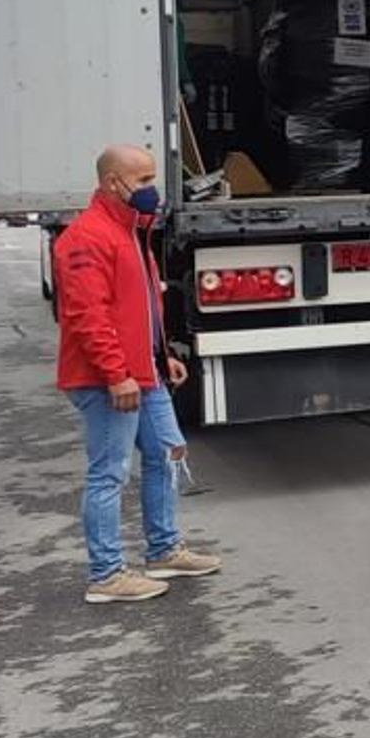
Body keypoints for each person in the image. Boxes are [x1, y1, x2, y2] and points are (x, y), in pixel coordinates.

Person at [55, 145, 222, 604]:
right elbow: (88, 316)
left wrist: (159, 355)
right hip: (110, 380)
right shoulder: (87, 238)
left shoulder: (132, 231)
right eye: (144, 180)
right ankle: (106, 575)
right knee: (109, 473)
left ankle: (165, 549)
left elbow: (141, 308)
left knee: (168, 453)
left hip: (144, 373)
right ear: (113, 183)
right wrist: (116, 374)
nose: (153, 190)